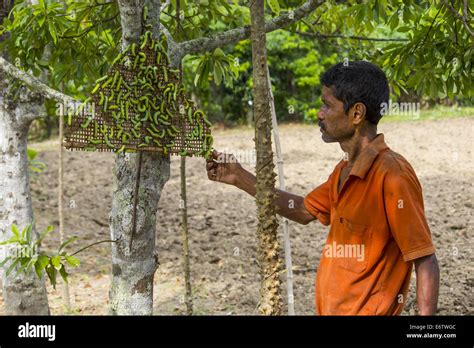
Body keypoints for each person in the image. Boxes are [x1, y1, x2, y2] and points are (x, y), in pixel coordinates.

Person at [205, 61, 439, 315]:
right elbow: (303, 210)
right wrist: (239, 177)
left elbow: (424, 258)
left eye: (327, 105)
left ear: (356, 114)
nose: (319, 113)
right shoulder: (343, 171)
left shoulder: (393, 175)